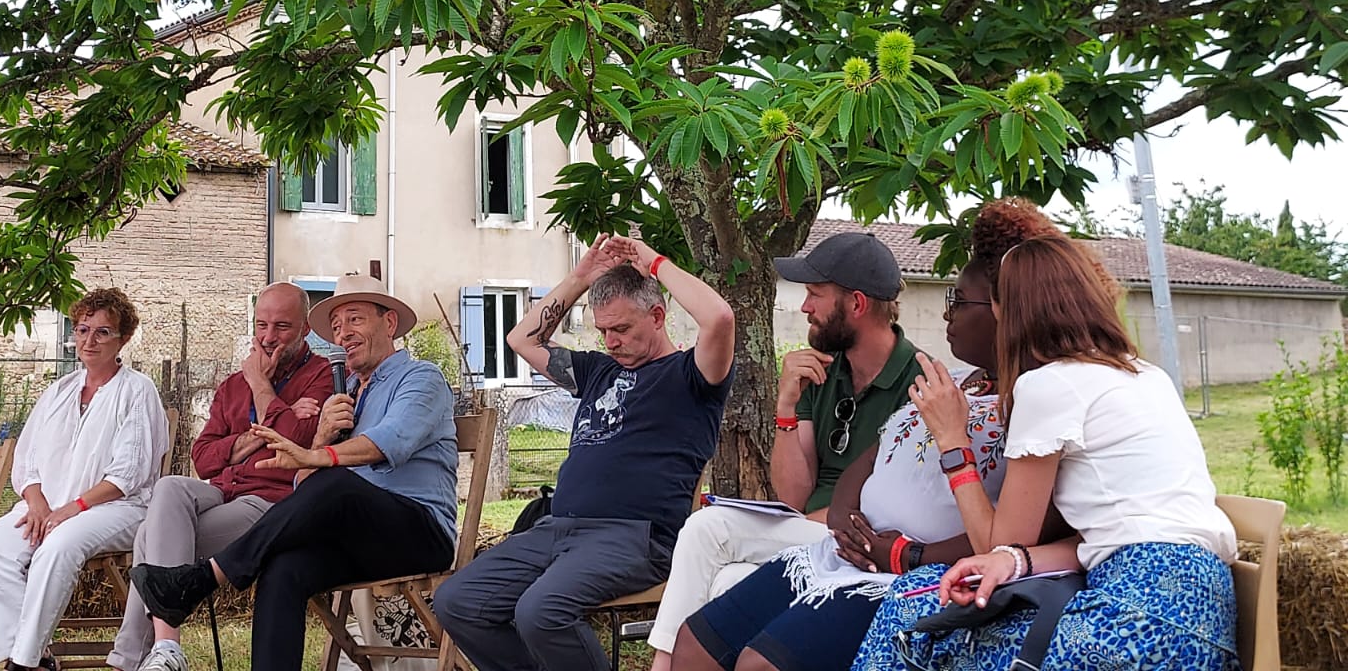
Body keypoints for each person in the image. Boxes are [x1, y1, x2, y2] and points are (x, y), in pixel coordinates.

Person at [668, 198, 1062, 671]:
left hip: (912, 575)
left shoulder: (1034, 401)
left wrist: (905, 552)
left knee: (759, 664)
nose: (945, 314)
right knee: (695, 642)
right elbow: (870, 462)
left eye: (956, 301)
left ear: (1003, 310)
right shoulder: (953, 379)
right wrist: (843, 520)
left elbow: (1028, 534)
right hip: (842, 551)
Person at [853, 234, 1241, 671]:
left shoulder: (1048, 385)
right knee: (921, 591)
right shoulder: (1146, 376)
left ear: (1007, 313)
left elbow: (993, 540)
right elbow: (1108, 534)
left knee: (911, 619)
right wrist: (1014, 560)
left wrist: (952, 439)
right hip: (1203, 621)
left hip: (1135, 622)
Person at [432, 232, 735, 671]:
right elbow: (522, 340)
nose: (610, 341)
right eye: (603, 330)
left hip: (636, 536)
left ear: (657, 314)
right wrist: (581, 275)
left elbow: (720, 317)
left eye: (622, 329)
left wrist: (650, 260)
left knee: (540, 612)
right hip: (557, 529)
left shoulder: (691, 376)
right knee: (457, 600)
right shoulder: (598, 371)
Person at [128, 272, 457, 671]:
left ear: (389, 323)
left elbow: (385, 445)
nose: (343, 334)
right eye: (336, 326)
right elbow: (304, 486)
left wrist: (312, 457)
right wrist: (319, 439)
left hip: (417, 530)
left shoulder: (421, 377)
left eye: (354, 319)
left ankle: (206, 576)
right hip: (355, 537)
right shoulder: (346, 390)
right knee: (283, 570)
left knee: (338, 483)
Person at [648, 230, 919, 670]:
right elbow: (793, 496)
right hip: (811, 533)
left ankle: (664, 665)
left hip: (861, 547)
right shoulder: (821, 372)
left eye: (815, 295)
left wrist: (825, 517)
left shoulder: (919, 383)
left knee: (709, 527)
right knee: (727, 580)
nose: (804, 307)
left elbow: (904, 506)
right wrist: (787, 407)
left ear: (857, 304)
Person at [108, 283, 333, 671]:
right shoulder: (232, 385)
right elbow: (203, 458)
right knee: (170, 486)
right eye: (261, 325)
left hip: (273, 503)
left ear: (305, 330)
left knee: (148, 536)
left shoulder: (322, 377)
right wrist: (258, 432)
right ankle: (160, 653)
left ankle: (144, 656)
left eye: (281, 327)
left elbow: (295, 449)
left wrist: (262, 388)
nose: (267, 338)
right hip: (225, 490)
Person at [0, 288, 168, 671]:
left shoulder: (136, 390)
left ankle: (22, 664)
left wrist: (71, 509)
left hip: (117, 508)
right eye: (82, 330)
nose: (89, 340)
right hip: (50, 506)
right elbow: (25, 460)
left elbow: (129, 474)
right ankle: (37, 658)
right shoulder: (58, 391)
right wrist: (39, 504)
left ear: (123, 338)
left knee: (56, 546)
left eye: (102, 332)